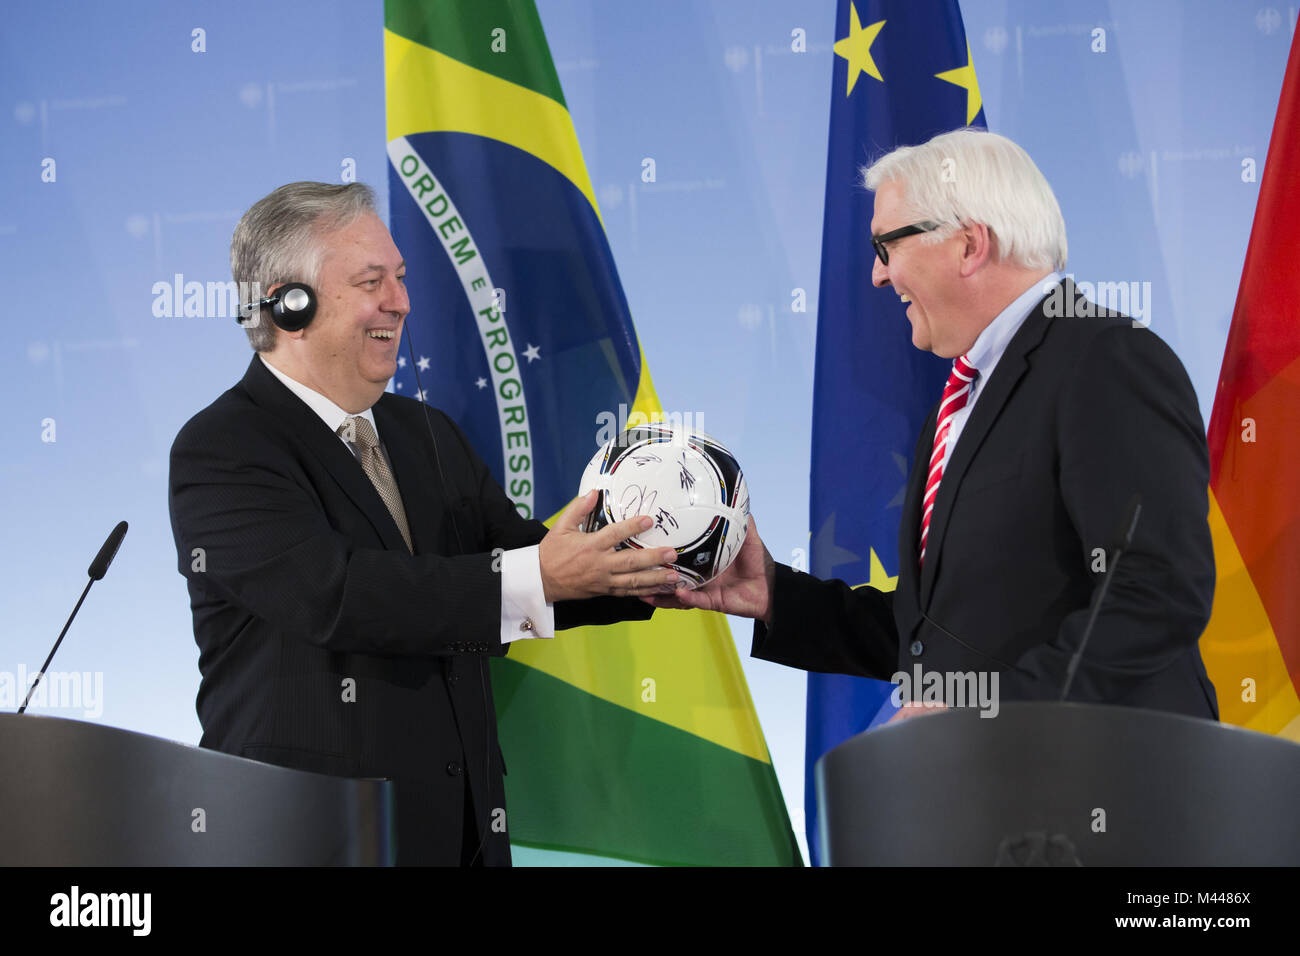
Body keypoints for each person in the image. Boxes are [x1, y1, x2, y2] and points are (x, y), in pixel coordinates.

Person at [168, 182, 676, 865]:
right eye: (372, 281)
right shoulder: (223, 446)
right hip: (312, 839)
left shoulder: (429, 432)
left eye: (401, 279)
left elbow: (527, 560)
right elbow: (339, 594)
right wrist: (540, 573)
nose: (401, 302)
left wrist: (652, 565)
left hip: (464, 838)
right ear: (290, 305)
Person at [651, 128, 1218, 720]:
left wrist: (987, 719)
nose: (877, 276)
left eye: (885, 248)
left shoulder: (1106, 359)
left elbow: (1155, 593)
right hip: (997, 794)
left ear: (968, 245)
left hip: (1113, 791)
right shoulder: (961, 403)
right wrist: (773, 595)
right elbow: (937, 638)